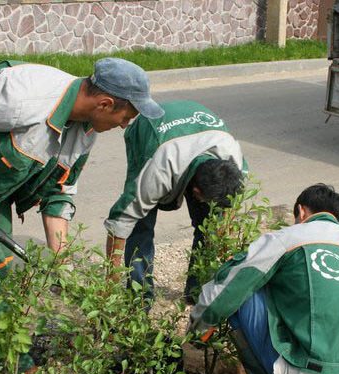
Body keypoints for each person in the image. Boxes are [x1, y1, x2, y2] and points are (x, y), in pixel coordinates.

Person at [0, 58, 163, 351]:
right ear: (105, 104)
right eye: (126, 118)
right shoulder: (24, 96)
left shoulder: (85, 130)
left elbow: (58, 191)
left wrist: (61, 261)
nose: (124, 126)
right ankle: (16, 372)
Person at [188, 184, 339, 374]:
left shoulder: (288, 238)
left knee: (243, 290)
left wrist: (197, 331)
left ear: (301, 212)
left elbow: (227, 287)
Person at [103, 100, 246, 305]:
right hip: (151, 131)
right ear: (196, 191)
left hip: (201, 132)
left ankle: (196, 293)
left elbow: (229, 210)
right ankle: (139, 299)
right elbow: (120, 222)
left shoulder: (234, 162)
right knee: (140, 225)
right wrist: (111, 280)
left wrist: (223, 241)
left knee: (211, 227)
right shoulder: (156, 171)